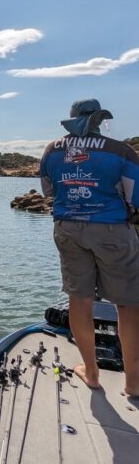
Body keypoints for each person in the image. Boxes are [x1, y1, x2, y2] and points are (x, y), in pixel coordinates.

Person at [40, 98, 139, 395]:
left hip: (68, 229)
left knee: (79, 299)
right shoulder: (120, 151)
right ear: (98, 120)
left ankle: (91, 373)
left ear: (72, 119)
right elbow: (136, 197)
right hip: (112, 231)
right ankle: (133, 381)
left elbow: (48, 190)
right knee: (128, 303)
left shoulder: (52, 151)